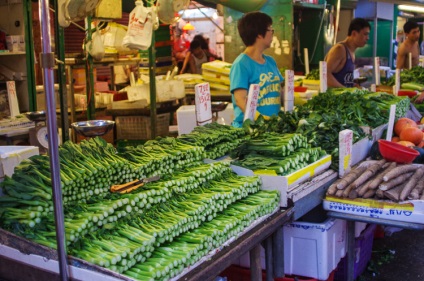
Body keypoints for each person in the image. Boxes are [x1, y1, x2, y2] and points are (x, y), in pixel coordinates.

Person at [229, 11, 284, 128]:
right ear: (259, 34)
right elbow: (240, 100)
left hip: (272, 128)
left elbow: (280, 91)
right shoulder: (241, 64)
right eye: (270, 30)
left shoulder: (271, 61)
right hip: (251, 130)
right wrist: (262, 120)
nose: (272, 34)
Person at [325, 18, 371, 88]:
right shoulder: (340, 49)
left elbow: (344, 79)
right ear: (354, 34)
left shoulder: (351, 52)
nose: (368, 38)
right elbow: (325, 74)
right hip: (334, 97)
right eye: (365, 34)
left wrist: (353, 86)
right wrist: (345, 90)